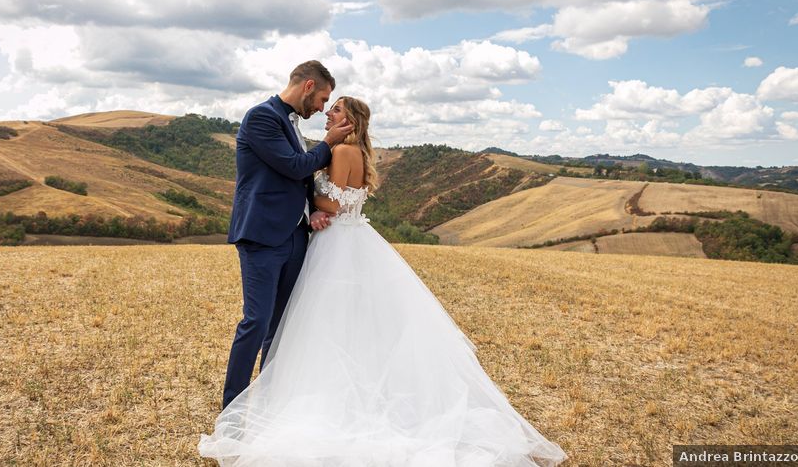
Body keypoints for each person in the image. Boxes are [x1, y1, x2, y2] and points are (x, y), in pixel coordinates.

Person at [199, 96, 568, 466]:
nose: (329, 113)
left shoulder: (342, 152)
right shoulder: (351, 151)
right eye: (329, 107)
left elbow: (334, 202)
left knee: (325, 326)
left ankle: (320, 403)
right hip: (348, 237)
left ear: (353, 121)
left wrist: (310, 206)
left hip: (337, 242)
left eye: (336, 109)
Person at [221, 60, 354, 410]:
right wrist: (328, 141)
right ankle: (232, 408)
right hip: (262, 236)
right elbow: (294, 166)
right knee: (257, 321)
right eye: (323, 99)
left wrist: (316, 210)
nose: (323, 107)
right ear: (308, 86)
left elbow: (298, 180)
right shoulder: (261, 117)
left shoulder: (292, 123)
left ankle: (269, 402)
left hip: (296, 237)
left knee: (280, 326)